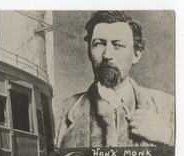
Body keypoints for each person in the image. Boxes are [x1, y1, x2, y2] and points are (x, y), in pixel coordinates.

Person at [56, 11, 174, 148]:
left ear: (136, 54)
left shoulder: (170, 107)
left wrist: (169, 136)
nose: (107, 55)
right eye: (99, 44)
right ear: (89, 52)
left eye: (118, 45)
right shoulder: (60, 114)